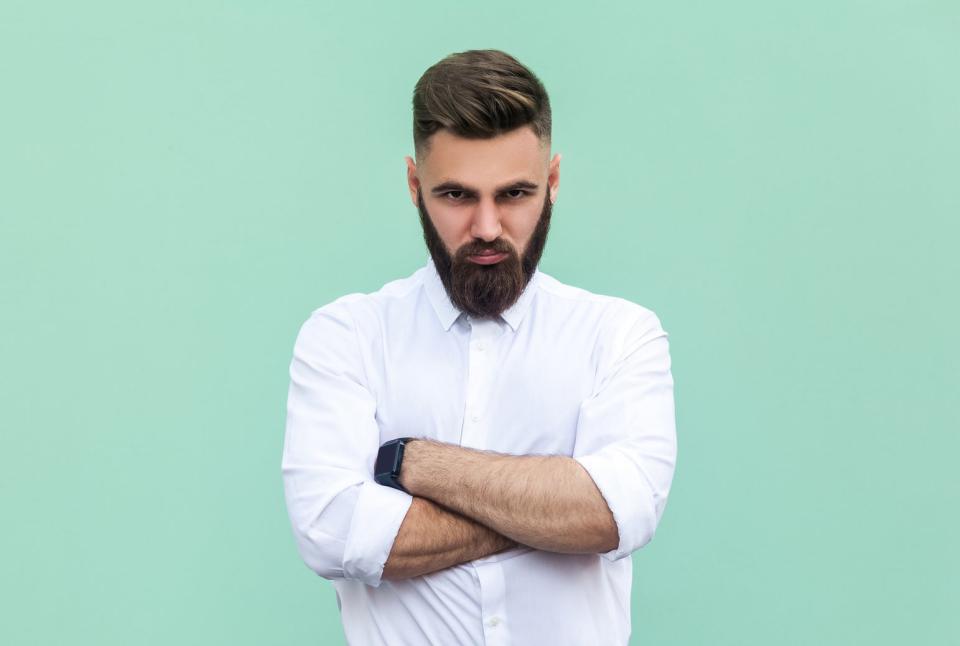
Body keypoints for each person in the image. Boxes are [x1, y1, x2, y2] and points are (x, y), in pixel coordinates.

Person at [281, 48, 677, 645]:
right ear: (416, 186)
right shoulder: (346, 337)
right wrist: (553, 513)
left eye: (514, 194)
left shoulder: (619, 335)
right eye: (457, 196)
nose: (488, 227)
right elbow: (332, 532)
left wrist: (412, 462)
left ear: (554, 182)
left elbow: (622, 513)